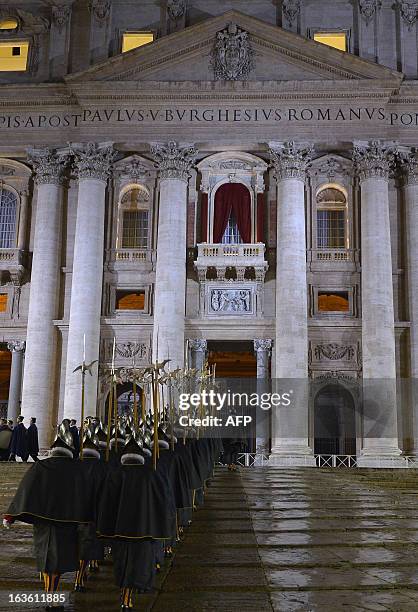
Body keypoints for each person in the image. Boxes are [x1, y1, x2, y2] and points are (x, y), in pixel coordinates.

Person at [4, 421, 97, 611]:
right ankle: (51, 598)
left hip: (44, 523)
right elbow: (88, 495)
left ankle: (50, 596)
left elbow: (25, 490)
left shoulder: (41, 467)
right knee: (58, 563)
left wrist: (11, 515)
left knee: (47, 562)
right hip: (68, 524)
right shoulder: (79, 469)